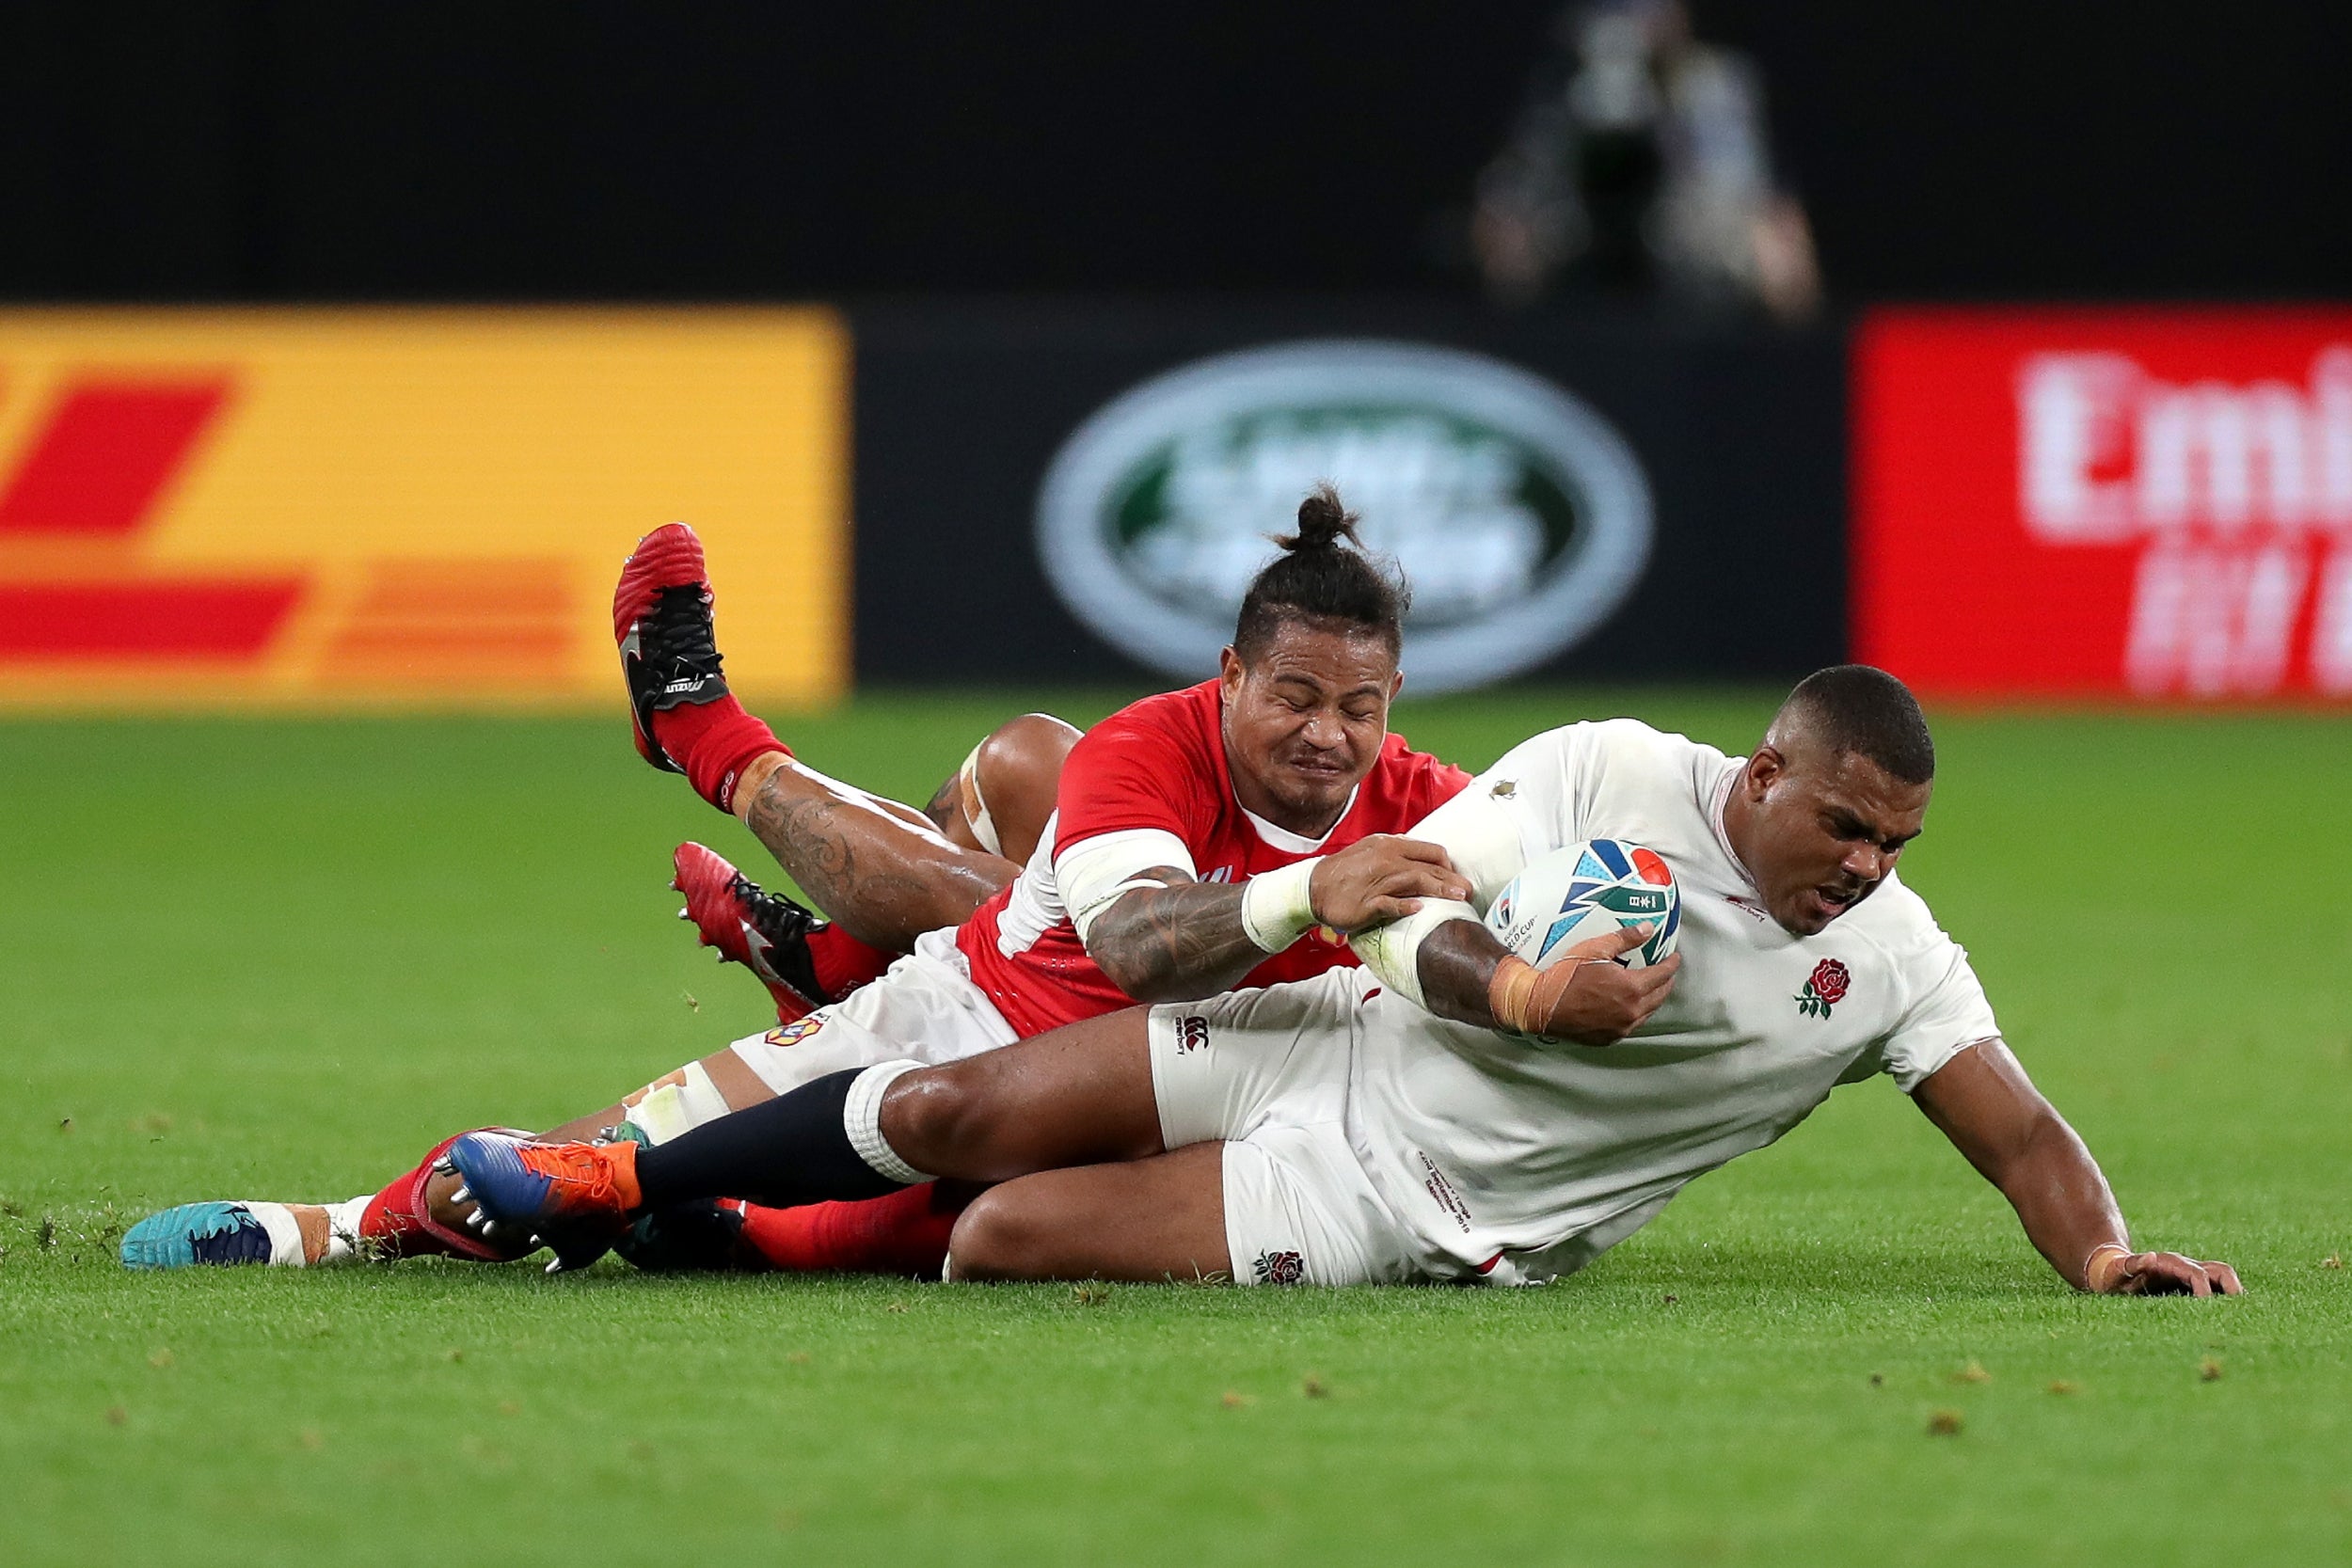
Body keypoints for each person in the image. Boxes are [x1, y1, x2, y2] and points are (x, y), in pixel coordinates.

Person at [452, 667, 2242, 1299]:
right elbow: (1407, 901)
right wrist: (1523, 996)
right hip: (1346, 1031)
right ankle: (622, 1186)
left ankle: (745, 1228)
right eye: (1847, 825)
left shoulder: (1891, 965)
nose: (1865, 869)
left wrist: (2097, 1246)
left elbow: (2018, 1130)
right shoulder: (1614, 773)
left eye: (1896, 849)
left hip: (1417, 1192)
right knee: (951, 1106)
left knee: (1001, 1233)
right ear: (1767, 774)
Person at [121, 487, 1477, 1274]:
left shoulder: (1426, 800)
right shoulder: (1149, 748)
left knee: (879, 1224)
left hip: (1154, 1122)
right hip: (970, 1029)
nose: (1325, 735)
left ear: (1396, 698)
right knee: (566, 1169)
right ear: (1230, 677)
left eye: (1357, 707)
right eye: (1292, 696)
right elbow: (1135, 948)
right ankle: (327, 1228)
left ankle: (806, 920)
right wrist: (1317, 893)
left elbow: (1559, 888)